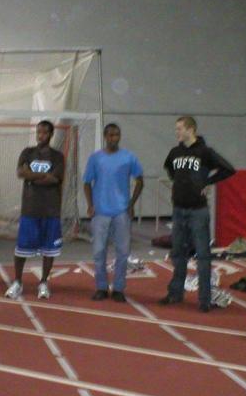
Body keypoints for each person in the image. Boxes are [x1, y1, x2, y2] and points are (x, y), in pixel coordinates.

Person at [159, 116, 235, 312]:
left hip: (198, 211)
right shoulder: (175, 152)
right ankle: (175, 293)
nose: (176, 132)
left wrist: (207, 182)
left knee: (203, 255)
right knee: (178, 253)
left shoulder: (204, 152)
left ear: (191, 129)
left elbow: (228, 169)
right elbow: (170, 169)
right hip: (179, 209)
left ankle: (204, 299)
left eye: (179, 129)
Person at [4, 120, 64, 300]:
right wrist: (42, 176)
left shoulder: (57, 156)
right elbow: (21, 173)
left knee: (49, 250)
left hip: (50, 209)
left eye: (45, 132)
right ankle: (17, 282)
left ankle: (44, 282)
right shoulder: (27, 152)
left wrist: (32, 177)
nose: (41, 135)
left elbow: (55, 179)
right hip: (29, 209)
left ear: (51, 134)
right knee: (21, 249)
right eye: (38, 132)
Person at [84, 123, 144, 302]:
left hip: (121, 212)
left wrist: (132, 204)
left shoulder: (128, 157)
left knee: (123, 252)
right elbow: (87, 182)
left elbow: (140, 180)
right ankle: (101, 287)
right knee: (99, 251)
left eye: (117, 135)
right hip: (100, 211)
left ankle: (119, 288)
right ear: (105, 136)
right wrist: (90, 204)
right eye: (110, 135)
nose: (114, 138)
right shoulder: (95, 158)